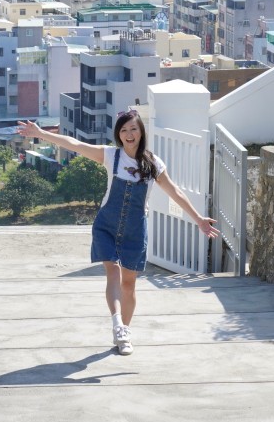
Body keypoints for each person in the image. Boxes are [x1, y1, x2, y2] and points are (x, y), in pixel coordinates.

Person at [17, 109, 219, 356]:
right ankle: (117, 324)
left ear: (141, 131)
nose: (129, 134)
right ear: (119, 134)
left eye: (133, 128)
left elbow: (175, 191)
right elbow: (75, 144)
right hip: (106, 225)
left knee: (129, 284)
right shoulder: (111, 156)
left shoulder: (154, 164)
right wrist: (41, 134)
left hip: (136, 229)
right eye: (123, 130)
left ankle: (124, 332)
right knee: (112, 272)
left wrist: (198, 219)